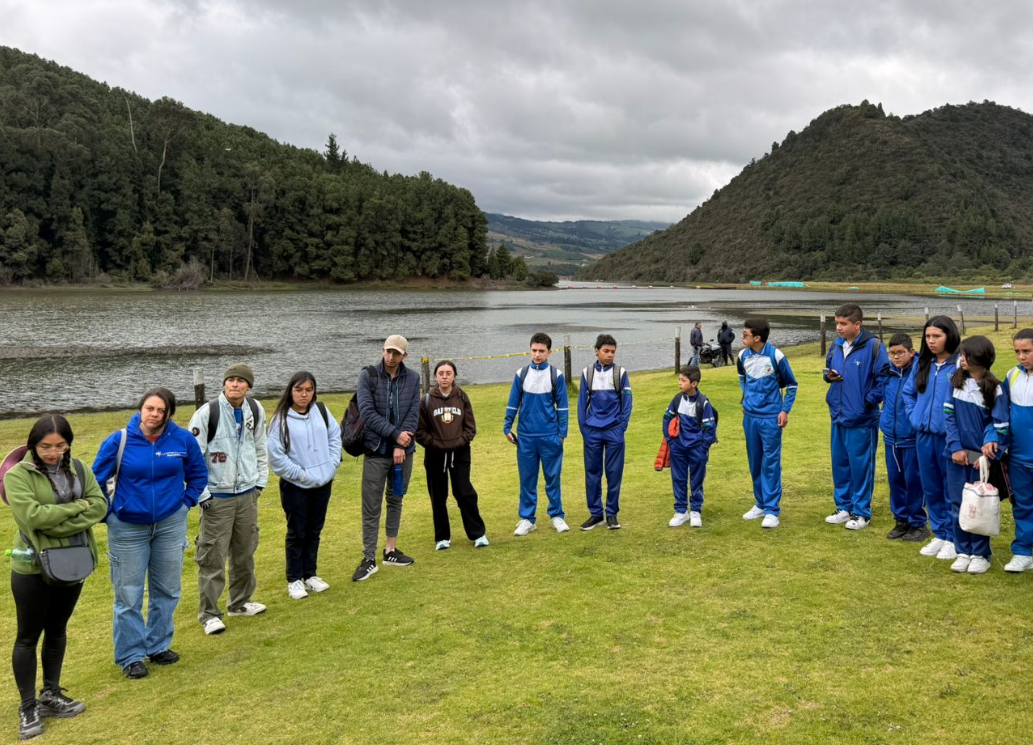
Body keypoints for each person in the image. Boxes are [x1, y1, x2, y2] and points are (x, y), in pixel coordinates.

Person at [93, 388, 208, 678]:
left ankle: (157, 645)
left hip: (170, 524)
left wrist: (185, 503)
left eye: (161, 410)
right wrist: (109, 514)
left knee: (167, 589)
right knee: (128, 594)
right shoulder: (119, 440)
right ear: (141, 408)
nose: (155, 415)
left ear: (170, 413)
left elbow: (198, 475)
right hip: (128, 527)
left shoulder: (182, 440)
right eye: (150, 409)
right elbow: (94, 481)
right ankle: (131, 655)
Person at [5, 416, 108, 739]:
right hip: (32, 567)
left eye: (60, 446)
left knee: (57, 630)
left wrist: (61, 519)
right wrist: (77, 508)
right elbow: (32, 517)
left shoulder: (79, 468)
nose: (53, 453)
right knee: (27, 637)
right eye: (46, 447)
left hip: (74, 561)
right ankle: (27, 706)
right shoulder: (17, 475)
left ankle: (50, 694)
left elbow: (100, 507)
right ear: (33, 444)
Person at [188, 364, 269, 635]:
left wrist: (260, 482)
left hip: (247, 494)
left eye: (241, 381)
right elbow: (193, 457)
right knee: (212, 556)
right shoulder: (207, 413)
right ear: (224, 384)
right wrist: (202, 493)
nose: (235, 384)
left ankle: (240, 603)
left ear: (249, 386)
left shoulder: (255, 411)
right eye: (231, 380)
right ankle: (209, 614)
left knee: (245, 553)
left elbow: (260, 447)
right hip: (217, 497)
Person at [352, 335, 421, 582]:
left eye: (396, 353)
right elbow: (368, 414)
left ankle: (390, 550)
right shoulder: (368, 375)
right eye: (388, 352)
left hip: (404, 452)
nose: (391, 357)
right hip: (376, 451)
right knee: (371, 506)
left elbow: (414, 412)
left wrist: (404, 442)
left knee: (396, 499)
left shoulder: (413, 378)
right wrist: (395, 438)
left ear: (405, 356)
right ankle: (368, 557)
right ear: (382, 350)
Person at [267, 372, 341, 600]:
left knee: (314, 530)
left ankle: (310, 574)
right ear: (291, 391)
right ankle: (294, 579)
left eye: (308, 390)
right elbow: (277, 456)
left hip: (323, 481)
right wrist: (301, 475)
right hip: (295, 485)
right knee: (296, 532)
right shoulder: (280, 419)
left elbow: (335, 438)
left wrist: (330, 466)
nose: (304, 394)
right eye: (299, 390)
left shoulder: (321, 411)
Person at [943, 336, 1009, 574]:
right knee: (957, 503)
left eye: (965, 356)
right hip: (957, 456)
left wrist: (989, 456)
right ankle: (963, 551)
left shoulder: (995, 388)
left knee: (979, 504)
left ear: (980, 358)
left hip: (981, 461)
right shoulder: (956, 382)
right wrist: (955, 447)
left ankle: (981, 553)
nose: (961, 359)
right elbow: (948, 417)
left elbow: (1000, 425)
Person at [822, 303, 889, 530]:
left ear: (857, 324)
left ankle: (862, 512)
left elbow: (884, 381)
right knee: (840, 463)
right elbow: (829, 369)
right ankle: (843, 507)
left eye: (843, 324)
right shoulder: (836, 345)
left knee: (861, 466)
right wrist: (829, 378)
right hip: (838, 415)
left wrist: (867, 402)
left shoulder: (874, 347)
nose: (839, 328)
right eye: (837, 323)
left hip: (862, 418)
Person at [902, 316, 961, 560]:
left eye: (937, 336)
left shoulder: (959, 365)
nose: (932, 341)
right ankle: (940, 533)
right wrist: (915, 417)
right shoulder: (922, 364)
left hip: (949, 437)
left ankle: (953, 538)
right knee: (931, 486)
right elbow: (909, 393)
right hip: (923, 436)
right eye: (928, 336)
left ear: (950, 336)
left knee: (951, 488)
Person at [415, 360, 488, 550]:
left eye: (448, 373)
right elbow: (420, 431)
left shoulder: (462, 397)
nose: (445, 376)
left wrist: (458, 442)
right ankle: (442, 537)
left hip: (460, 453)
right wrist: (436, 444)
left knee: (464, 492)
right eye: (441, 373)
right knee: (438, 495)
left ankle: (478, 534)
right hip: (435, 455)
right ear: (435, 377)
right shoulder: (427, 400)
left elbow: (470, 427)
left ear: (454, 375)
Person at [504, 332, 570, 536]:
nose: (537, 354)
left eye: (541, 351)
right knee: (527, 479)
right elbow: (513, 402)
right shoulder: (521, 374)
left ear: (549, 352)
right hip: (526, 437)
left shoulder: (556, 375)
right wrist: (507, 426)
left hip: (550, 435)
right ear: (530, 350)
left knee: (553, 478)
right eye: (534, 350)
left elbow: (563, 407)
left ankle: (557, 516)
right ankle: (527, 519)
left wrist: (562, 433)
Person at [737, 318, 798, 529]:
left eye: (745, 334)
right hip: (750, 418)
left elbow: (792, 385)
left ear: (757, 337)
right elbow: (742, 377)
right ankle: (760, 504)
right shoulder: (742, 356)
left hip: (771, 418)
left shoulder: (776, 356)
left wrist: (784, 410)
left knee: (770, 462)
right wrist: (745, 398)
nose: (742, 337)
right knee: (755, 461)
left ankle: (772, 510)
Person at [577, 334, 632, 530]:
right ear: (596, 351)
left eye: (613, 352)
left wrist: (621, 426)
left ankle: (611, 514)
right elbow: (582, 404)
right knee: (592, 472)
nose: (610, 355)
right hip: (592, 431)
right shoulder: (587, 373)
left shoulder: (621, 373)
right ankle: (595, 514)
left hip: (614, 431)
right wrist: (585, 429)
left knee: (614, 473)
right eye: (606, 351)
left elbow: (627, 403)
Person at [880, 333, 928, 542]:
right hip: (891, 437)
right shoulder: (888, 373)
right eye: (892, 353)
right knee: (895, 480)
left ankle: (918, 522)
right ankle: (901, 521)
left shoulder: (920, 372)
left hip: (911, 436)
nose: (896, 357)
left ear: (911, 352)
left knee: (913, 481)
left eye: (900, 352)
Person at [664, 365, 716, 527]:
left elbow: (710, 429)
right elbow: (667, 418)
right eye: (679, 379)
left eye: (683, 380)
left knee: (696, 480)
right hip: (678, 448)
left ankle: (695, 511)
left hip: (697, 449)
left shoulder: (703, 403)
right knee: (678, 479)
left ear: (694, 384)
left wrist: (703, 447)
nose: (679, 383)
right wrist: (671, 441)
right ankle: (681, 512)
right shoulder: (677, 399)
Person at [1003, 329, 1033, 573]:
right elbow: (1001, 415)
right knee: (1022, 504)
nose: (1021, 356)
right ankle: (1022, 551)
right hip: (1018, 458)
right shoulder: (1012, 376)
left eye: (1027, 351)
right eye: (1017, 352)